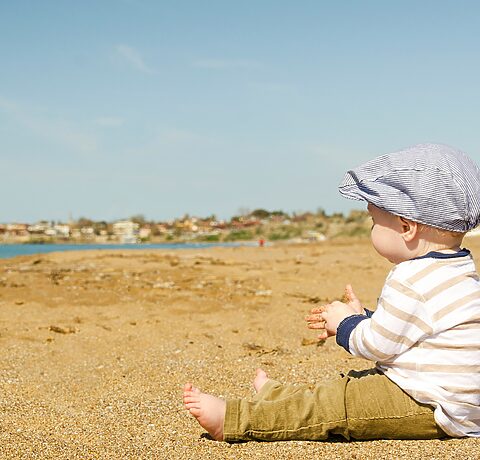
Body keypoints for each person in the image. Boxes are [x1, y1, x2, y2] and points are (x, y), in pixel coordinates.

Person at [183, 143, 480, 442]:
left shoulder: (410, 277)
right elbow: (415, 331)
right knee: (348, 387)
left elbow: (378, 346)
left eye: (374, 220)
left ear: (406, 227)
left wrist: (345, 325)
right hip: (458, 402)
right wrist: (364, 317)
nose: (372, 228)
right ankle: (278, 395)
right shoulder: (460, 270)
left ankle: (235, 420)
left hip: (430, 403)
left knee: (338, 404)